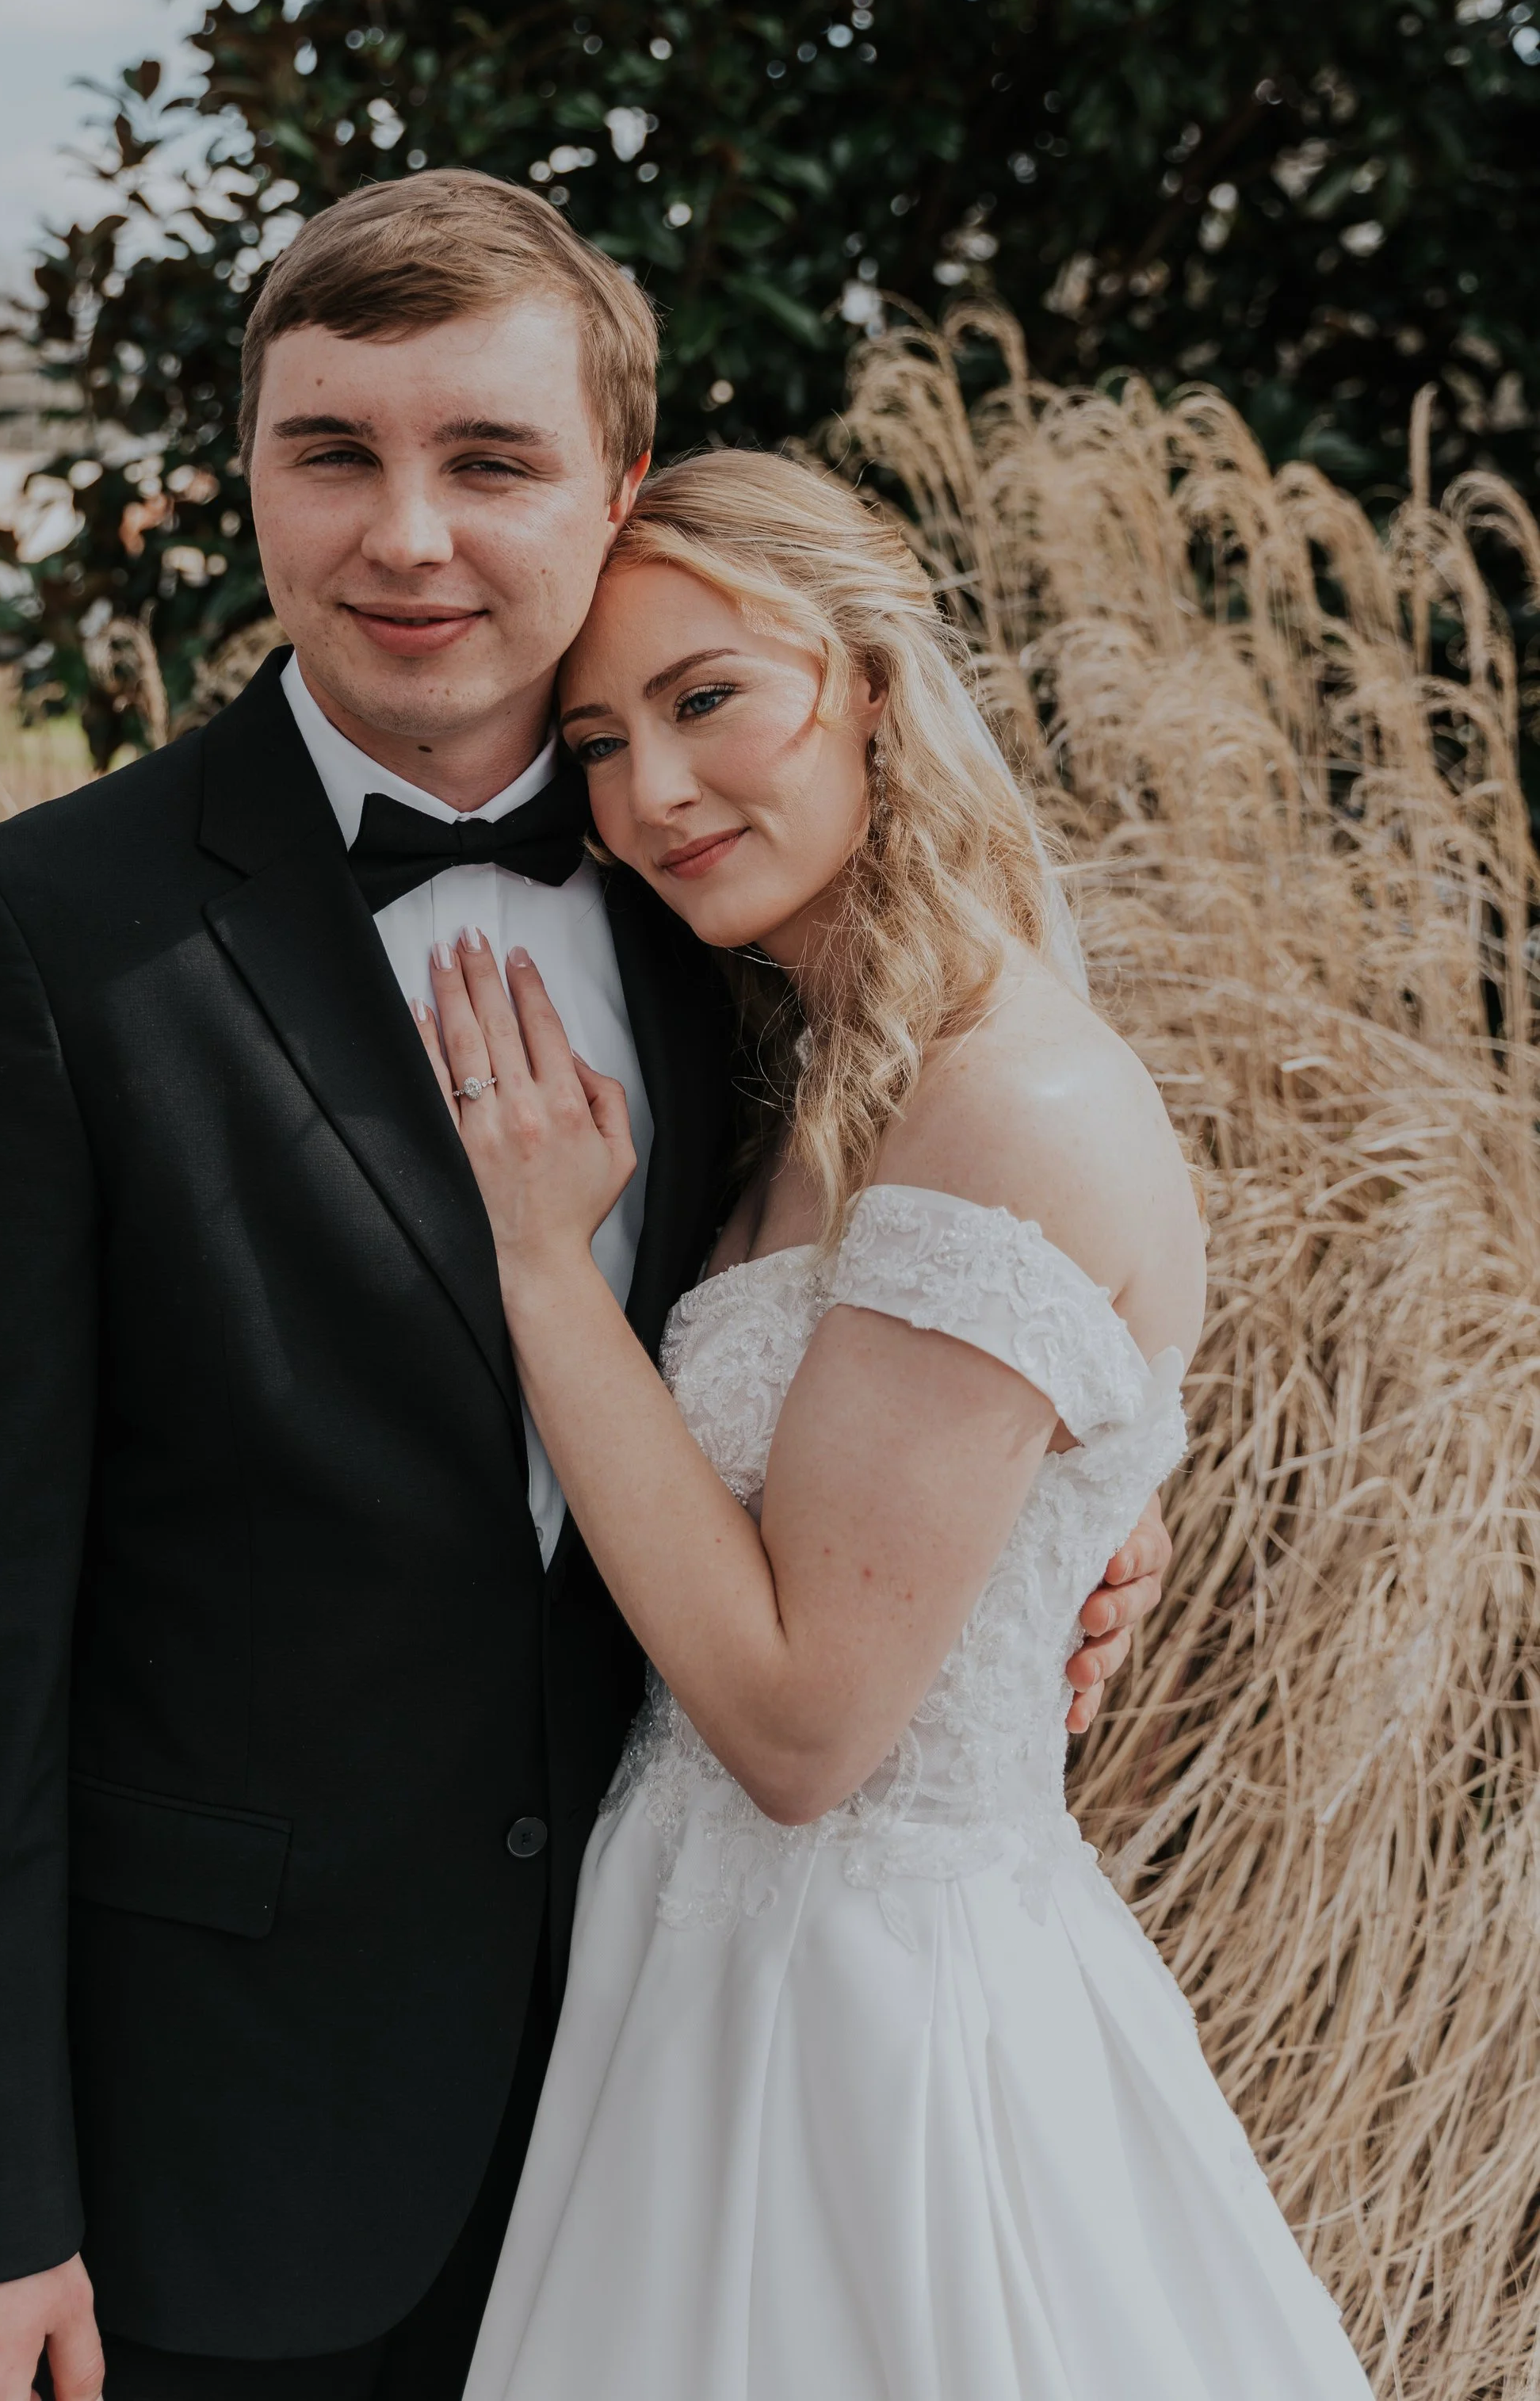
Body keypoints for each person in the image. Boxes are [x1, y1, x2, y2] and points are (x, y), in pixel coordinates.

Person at [0, 173, 1167, 2401]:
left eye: (492, 458)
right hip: (229, 2153)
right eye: (331, 450)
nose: (406, 536)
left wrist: (1073, 1513)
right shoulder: (42, 939)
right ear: (245, 472)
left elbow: (937, 1314)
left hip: (697, 2094)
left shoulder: (732, 904)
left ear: (614, 485)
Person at [412, 449, 1377, 2401]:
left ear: (863, 679)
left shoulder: (1003, 1107)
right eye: (594, 743)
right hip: (683, 1985)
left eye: (707, 700)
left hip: (863, 2039)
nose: (650, 796)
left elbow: (797, 1729)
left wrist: (538, 1264)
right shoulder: (825, 1075)